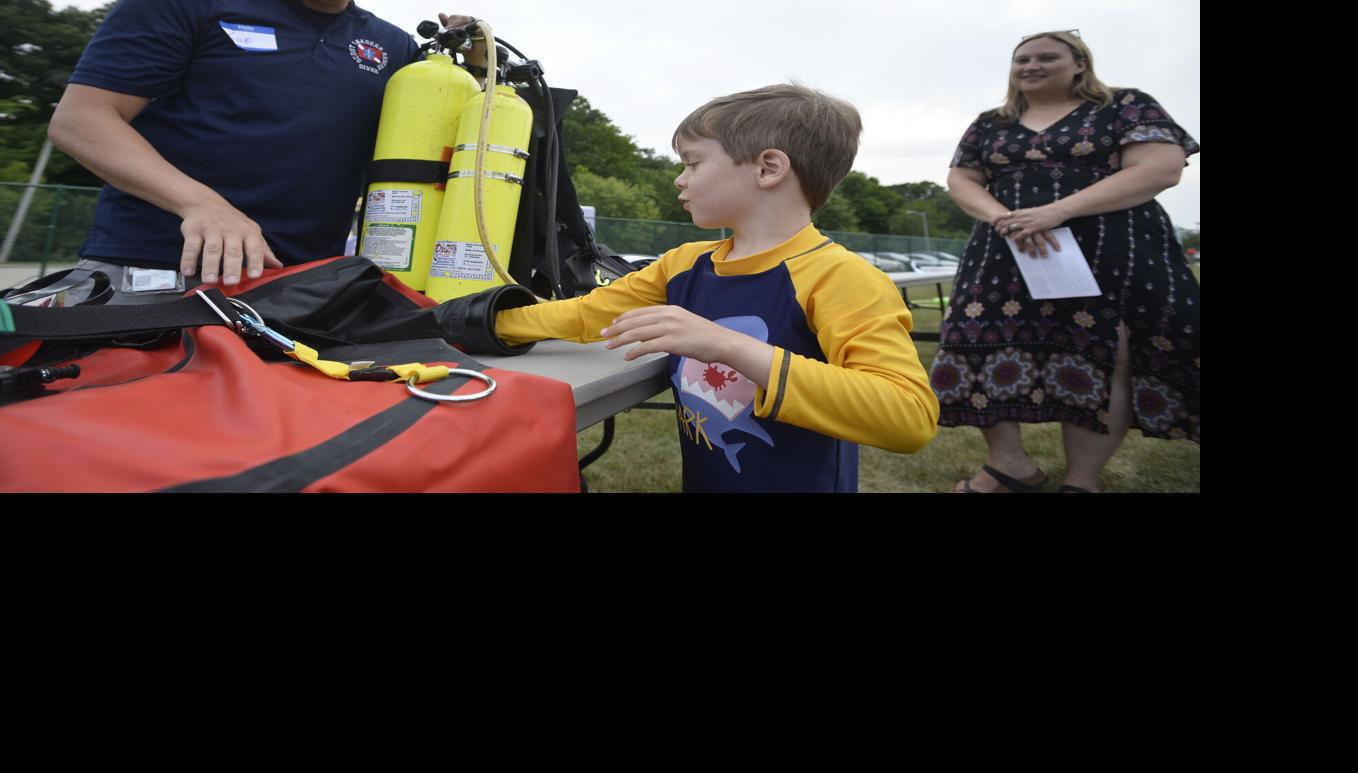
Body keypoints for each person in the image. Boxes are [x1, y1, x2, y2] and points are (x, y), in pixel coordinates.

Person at [493, 84, 939, 493]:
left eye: (693, 162)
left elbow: (908, 417)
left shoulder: (841, 277)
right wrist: (480, 322)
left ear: (768, 168)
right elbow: (584, 316)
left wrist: (724, 344)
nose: (679, 179)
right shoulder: (683, 263)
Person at [46, 1, 483, 302]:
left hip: (304, 288)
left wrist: (476, 64)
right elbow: (81, 120)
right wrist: (202, 204)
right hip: (157, 269)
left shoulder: (395, 47)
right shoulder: (187, 5)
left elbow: (440, 148)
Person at [930, 30, 1200, 492]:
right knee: (976, 343)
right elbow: (961, 179)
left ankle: (1081, 480)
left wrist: (1056, 212)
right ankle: (1009, 467)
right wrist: (1005, 220)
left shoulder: (1125, 105)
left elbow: (1161, 167)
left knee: (1102, 351)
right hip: (1005, 249)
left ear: (1079, 63)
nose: (1030, 66)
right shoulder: (990, 122)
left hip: (1109, 248)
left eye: (1046, 57)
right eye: (1021, 59)